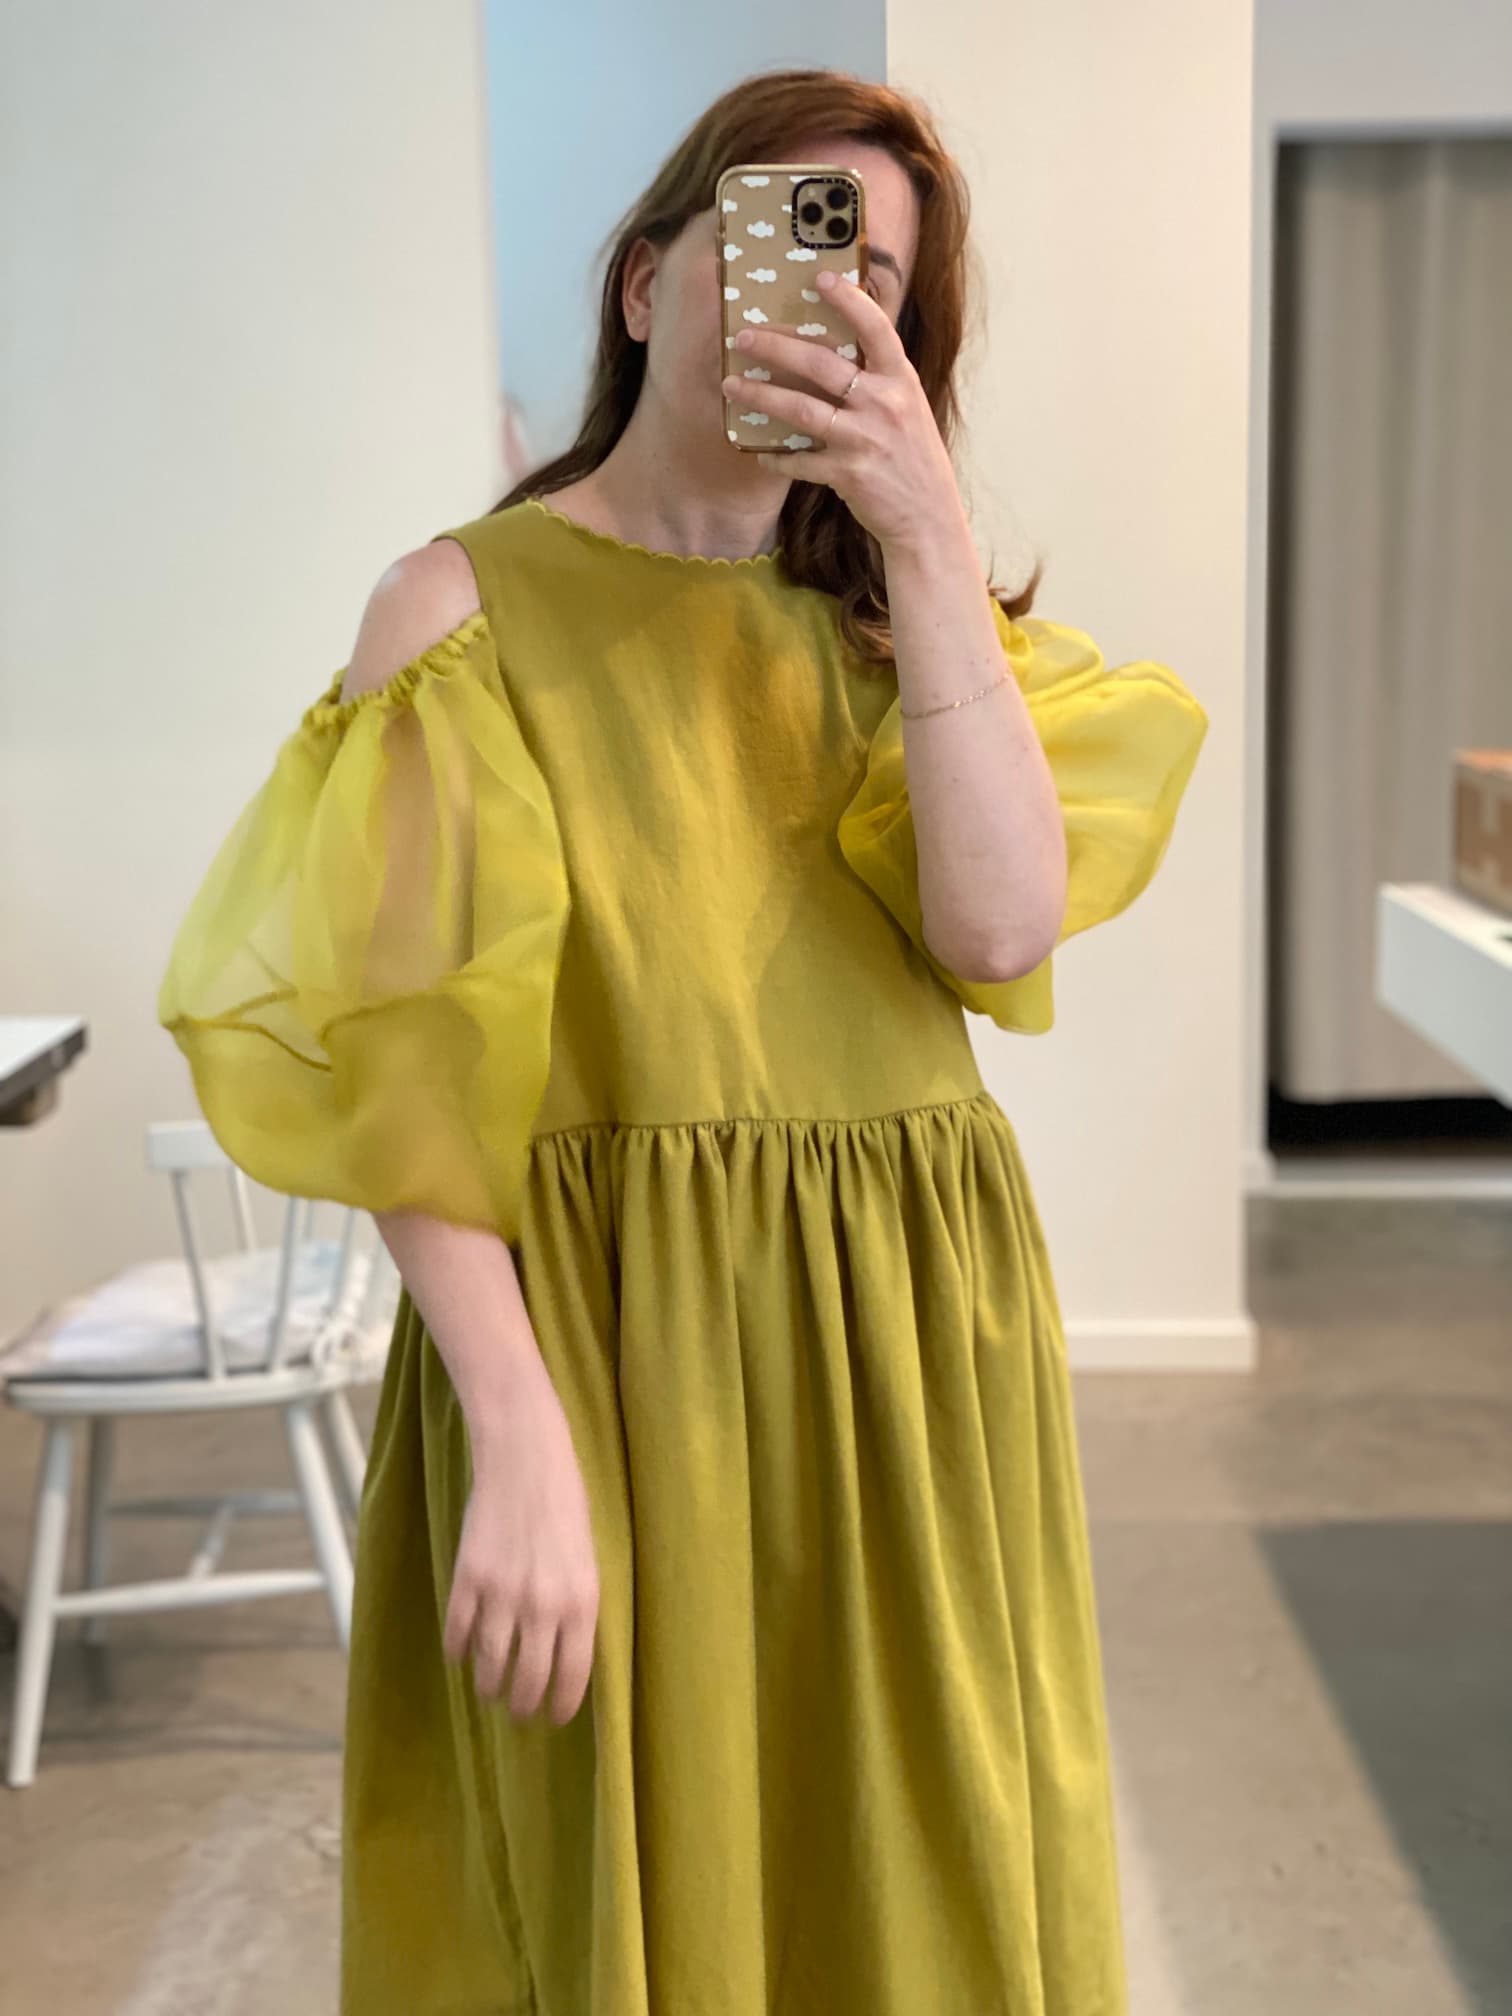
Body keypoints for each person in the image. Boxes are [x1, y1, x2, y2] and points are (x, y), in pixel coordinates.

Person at [160, 65, 1206, 2016]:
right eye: (787, 237)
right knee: (617, 1897)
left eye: (876, 278)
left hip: (900, 1352)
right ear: (648, 280)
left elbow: (998, 930)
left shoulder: (905, 630)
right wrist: (520, 1433)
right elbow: (410, 1080)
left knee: (918, 1885)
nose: (827, 300)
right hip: (614, 1353)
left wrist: (923, 530)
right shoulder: (459, 613)